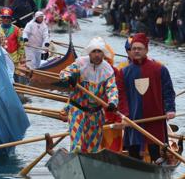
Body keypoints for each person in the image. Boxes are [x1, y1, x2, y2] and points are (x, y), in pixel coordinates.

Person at [117, 33, 176, 162]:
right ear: (130, 51)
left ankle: (158, 165)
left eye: (140, 48)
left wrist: (170, 109)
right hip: (133, 119)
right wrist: (124, 115)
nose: (136, 51)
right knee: (133, 153)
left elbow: (168, 92)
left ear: (146, 50)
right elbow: (121, 96)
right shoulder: (124, 72)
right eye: (134, 49)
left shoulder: (160, 69)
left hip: (155, 117)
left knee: (156, 152)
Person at [59, 37, 119, 153]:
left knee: (93, 149)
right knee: (77, 146)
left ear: (103, 54)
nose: (97, 55)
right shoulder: (80, 63)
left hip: (96, 113)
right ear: (89, 53)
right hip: (78, 109)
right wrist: (69, 78)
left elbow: (112, 89)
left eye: (99, 52)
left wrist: (112, 102)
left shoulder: (108, 70)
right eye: (94, 52)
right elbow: (64, 73)